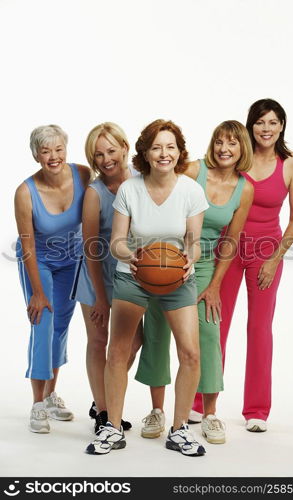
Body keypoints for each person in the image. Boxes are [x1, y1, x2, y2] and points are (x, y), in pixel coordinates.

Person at [85, 119, 209, 457]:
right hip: (133, 273)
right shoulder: (130, 189)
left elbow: (194, 243)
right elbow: (116, 243)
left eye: (171, 147)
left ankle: (180, 429)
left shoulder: (191, 191)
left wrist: (189, 260)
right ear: (145, 153)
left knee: (191, 353)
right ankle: (111, 427)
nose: (164, 153)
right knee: (118, 352)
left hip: (178, 276)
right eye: (157, 147)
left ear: (180, 152)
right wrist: (133, 255)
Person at [135, 121, 254, 445]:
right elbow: (153, 183)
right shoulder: (192, 170)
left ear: (243, 148)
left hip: (202, 265)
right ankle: (157, 410)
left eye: (231, 143)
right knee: (157, 330)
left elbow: (231, 240)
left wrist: (214, 285)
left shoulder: (246, 188)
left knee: (208, 333)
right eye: (219, 141)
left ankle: (211, 413)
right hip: (165, 256)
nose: (224, 149)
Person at [195, 98, 293, 432]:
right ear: (250, 125)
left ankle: (256, 410)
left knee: (259, 329)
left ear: (282, 125)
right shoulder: (236, 157)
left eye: (273, 122)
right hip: (225, 251)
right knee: (215, 325)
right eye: (260, 122)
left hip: (266, 255)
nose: (266, 129)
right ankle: (201, 402)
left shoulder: (292, 164)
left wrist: (275, 259)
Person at [14, 124, 91, 433]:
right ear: (36, 155)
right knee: (43, 322)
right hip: (39, 261)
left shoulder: (83, 175)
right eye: (46, 151)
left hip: (71, 260)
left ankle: (50, 395)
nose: (53, 156)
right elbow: (28, 245)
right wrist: (37, 292)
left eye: (58, 149)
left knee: (60, 326)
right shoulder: (25, 192)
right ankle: (36, 404)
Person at [70, 122, 143, 433]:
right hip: (95, 272)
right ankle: (103, 412)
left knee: (133, 342)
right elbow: (89, 247)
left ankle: (103, 393)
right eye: (98, 154)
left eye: (111, 150)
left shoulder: (141, 181)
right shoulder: (94, 193)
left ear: (125, 148)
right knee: (99, 340)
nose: (106, 159)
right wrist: (100, 296)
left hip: (129, 272)